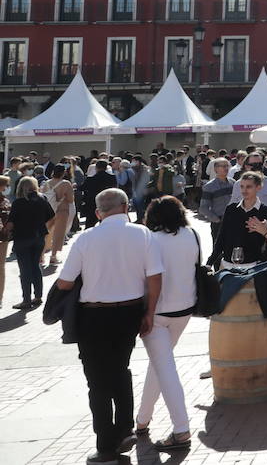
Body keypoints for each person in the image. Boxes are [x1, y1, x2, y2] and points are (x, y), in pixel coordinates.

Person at [55, 188, 163, 464]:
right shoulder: (142, 234)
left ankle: (106, 444)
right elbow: (154, 277)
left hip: (94, 315)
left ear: (97, 212)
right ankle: (125, 427)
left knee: (97, 381)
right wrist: (149, 312)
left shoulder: (86, 238)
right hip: (129, 312)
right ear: (126, 207)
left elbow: (66, 281)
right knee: (119, 369)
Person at [133, 196, 198, 452]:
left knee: (165, 368)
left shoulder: (150, 239)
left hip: (157, 312)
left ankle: (181, 428)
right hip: (184, 309)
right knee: (160, 365)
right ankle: (142, 419)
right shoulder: (191, 234)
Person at [207, 172, 267, 268]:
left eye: (249, 187)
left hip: (252, 267)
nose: (244, 190)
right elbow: (221, 237)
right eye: (242, 186)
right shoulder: (231, 209)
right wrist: (209, 262)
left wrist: (261, 260)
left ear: (258, 187)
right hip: (227, 265)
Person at [11, 176, 54, 309]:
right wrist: (44, 228)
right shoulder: (42, 199)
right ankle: (38, 296)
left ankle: (26, 300)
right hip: (38, 236)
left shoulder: (18, 202)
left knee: (25, 270)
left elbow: (11, 223)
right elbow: (52, 216)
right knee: (35, 266)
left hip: (23, 237)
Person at [43, 164, 75, 267]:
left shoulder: (46, 183)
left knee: (45, 233)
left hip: (48, 210)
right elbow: (70, 200)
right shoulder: (66, 184)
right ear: (64, 172)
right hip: (62, 210)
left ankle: (40, 255)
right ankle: (53, 256)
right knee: (58, 234)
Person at [198, 159, 234, 244]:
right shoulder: (209, 186)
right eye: (223, 166)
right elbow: (203, 208)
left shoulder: (233, 183)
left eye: (227, 166)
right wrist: (216, 220)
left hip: (233, 220)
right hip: (219, 221)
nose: (226, 168)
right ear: (215, 169)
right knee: (218, 250)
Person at [80, 160, 117, 229]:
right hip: (107, 202)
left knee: (90, 224)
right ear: (106, 168)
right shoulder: (112, 178)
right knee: (106, 224)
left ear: (96, 168)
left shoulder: (90, 179)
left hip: (93, 203)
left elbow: (82, 188)